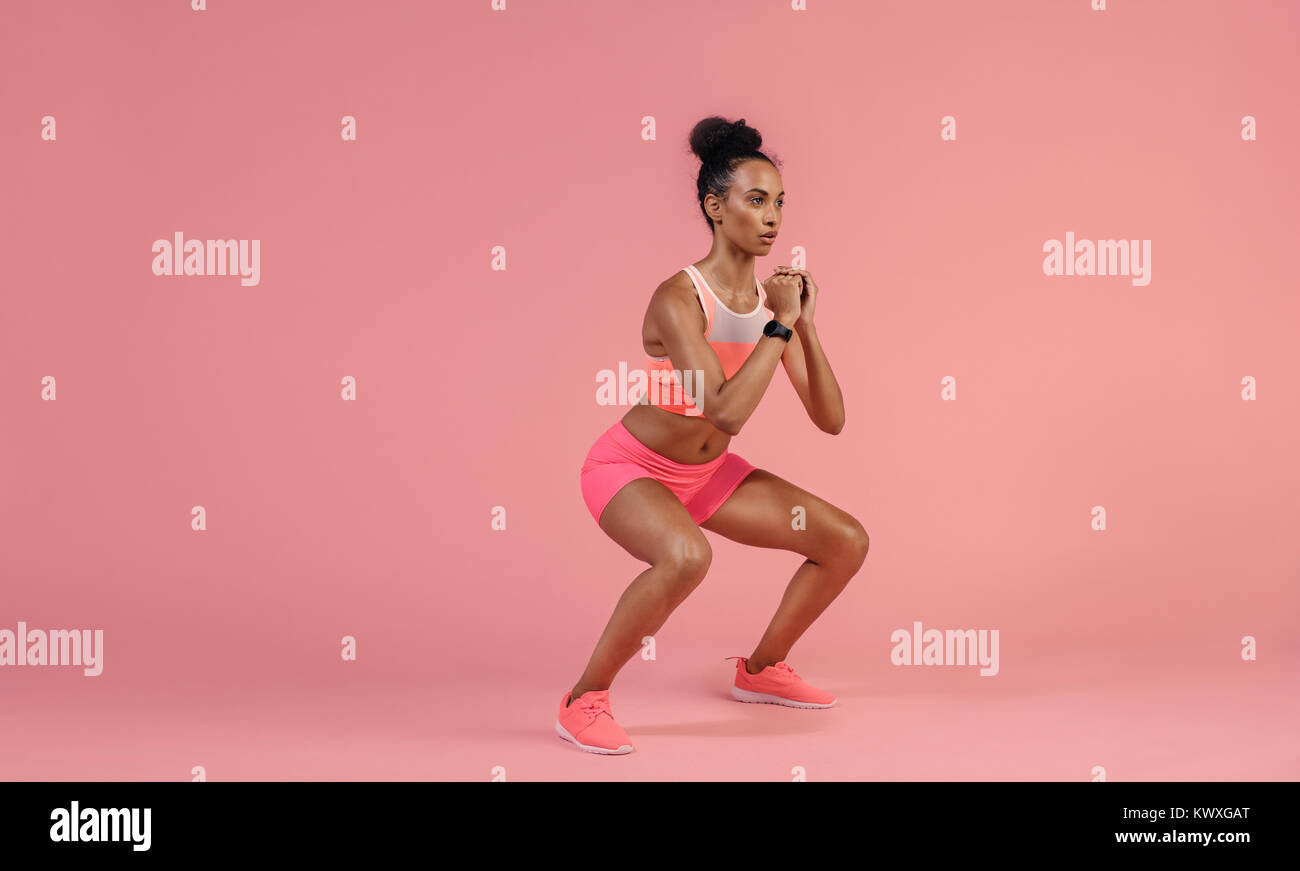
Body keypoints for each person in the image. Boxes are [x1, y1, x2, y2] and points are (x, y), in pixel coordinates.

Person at [558, 116, 870, 755]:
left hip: (708, 477)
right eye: (756, 200)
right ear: (714, 206)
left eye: (779, 202)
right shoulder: (679, 297)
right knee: (686, 558)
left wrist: (803, 325)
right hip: (631, 469)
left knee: (844, 541)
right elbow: (722, 411)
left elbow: (830, 419)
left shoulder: (769, 305)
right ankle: (582, 699)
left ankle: (761, 671)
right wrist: (776, 329)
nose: (772, 217)